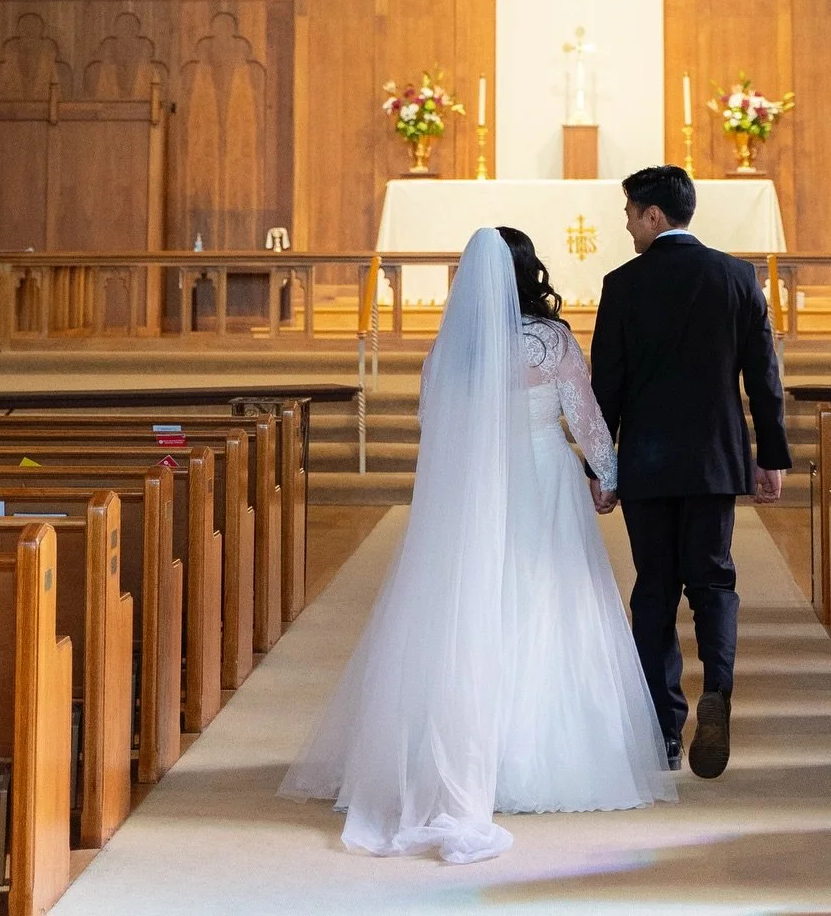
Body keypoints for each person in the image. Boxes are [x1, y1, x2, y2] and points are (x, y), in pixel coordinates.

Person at [279, 224, 674, 863]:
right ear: (528, 272)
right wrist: (609, 474)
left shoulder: (451, 348)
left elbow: (432, 426)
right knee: (546, 602)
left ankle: (458, 753)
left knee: (472, 609)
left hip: (472, 492)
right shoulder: (549, 339)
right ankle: (543, 758)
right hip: (544, 482)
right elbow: (586, 415)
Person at [591, 164, 791, 778]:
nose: (626, 225)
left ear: (654, 215)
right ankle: (719, 693)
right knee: (713, 581)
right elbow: (764, 376)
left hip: (648, 461)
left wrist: (603, 465)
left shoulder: (623, 284)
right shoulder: (736, 277)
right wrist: (771, 456)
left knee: (655, 586)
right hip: (714, 457)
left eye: (629, 214)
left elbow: (608, 386)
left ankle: (663, 731)